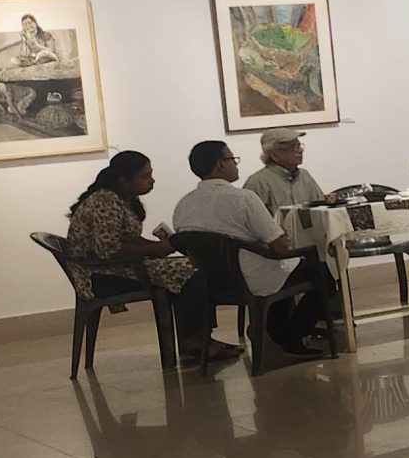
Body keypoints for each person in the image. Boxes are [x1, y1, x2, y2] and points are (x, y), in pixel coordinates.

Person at [63, 151, 235, 365]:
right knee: (191, 273)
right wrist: (155, 250)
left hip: (119, 268)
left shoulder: (121, 198)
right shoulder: (105, 201)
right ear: (124, 180)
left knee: (194, 266)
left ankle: (200, 337)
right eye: (145, 176)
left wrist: (158, 246)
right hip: (101, 276)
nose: (151, 180)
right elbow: (108, 249)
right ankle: (194, 340)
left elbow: (128, 239)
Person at [171, 140, 338, 358]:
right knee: (323, 274)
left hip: (211, 280)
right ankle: (291, 336)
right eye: (233, 159)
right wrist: (284, 236)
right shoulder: (243, 198)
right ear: (220, 164)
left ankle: (275, 332)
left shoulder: (184, 204)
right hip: (253, 275)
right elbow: (279, 245)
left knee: (289, 270)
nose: (236, 164)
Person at [242, 128, 323, 213]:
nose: (300, 150)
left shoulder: (304, 175)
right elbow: (251, 217)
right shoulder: (257, 182)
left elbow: (322, 208)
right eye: (293, 147)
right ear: (274, 155)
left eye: (299, 145)